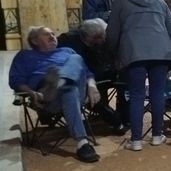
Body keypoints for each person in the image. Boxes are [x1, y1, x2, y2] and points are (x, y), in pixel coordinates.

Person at [106, 0, 171, 151]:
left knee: (137, 95)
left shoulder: (120, 3)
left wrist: (113, 55)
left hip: (134, 54)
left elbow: (112, 33)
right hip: (161, 53)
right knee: (157, 93)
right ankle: (157, 135)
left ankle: (136, 140)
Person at [10, 26, 102, 162]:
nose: (52, 37)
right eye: (47, 35)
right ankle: (82, 143)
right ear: (34, 41)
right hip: (47, 101)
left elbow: (88, 74)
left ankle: (59, 83)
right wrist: (31, 93)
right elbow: (16, 81)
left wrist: (93, 86)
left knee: (75, 58)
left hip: (74, 94)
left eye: (53, 34)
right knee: (69, 89)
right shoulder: (24, 56)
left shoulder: (67, 51)